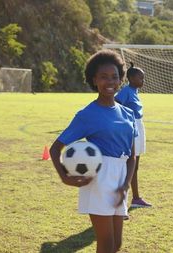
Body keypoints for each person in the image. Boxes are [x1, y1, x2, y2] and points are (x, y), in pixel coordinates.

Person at [49, 50, 136, 253]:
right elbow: (55, 149)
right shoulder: (87, 114)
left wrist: (125, 186)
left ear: (121, 79)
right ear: (94, 79)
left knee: (116, 244)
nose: (110, 82)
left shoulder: (128, 113)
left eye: (114, 76)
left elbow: (131, 157)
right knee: (105, 243)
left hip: (121, 177)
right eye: (103, 77)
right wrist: (65, 177)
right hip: (99, 177)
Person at [115, 62, 152, 208]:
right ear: (131, 79)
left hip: (138, 125)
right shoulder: (126, 91)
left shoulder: (135, 91)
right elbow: (115, 103)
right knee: (130, 164)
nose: (143, 81)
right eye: (140, 78)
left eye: (143, 78)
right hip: (131, 127)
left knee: (135, 165)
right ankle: (121, 201)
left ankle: (136, 198)